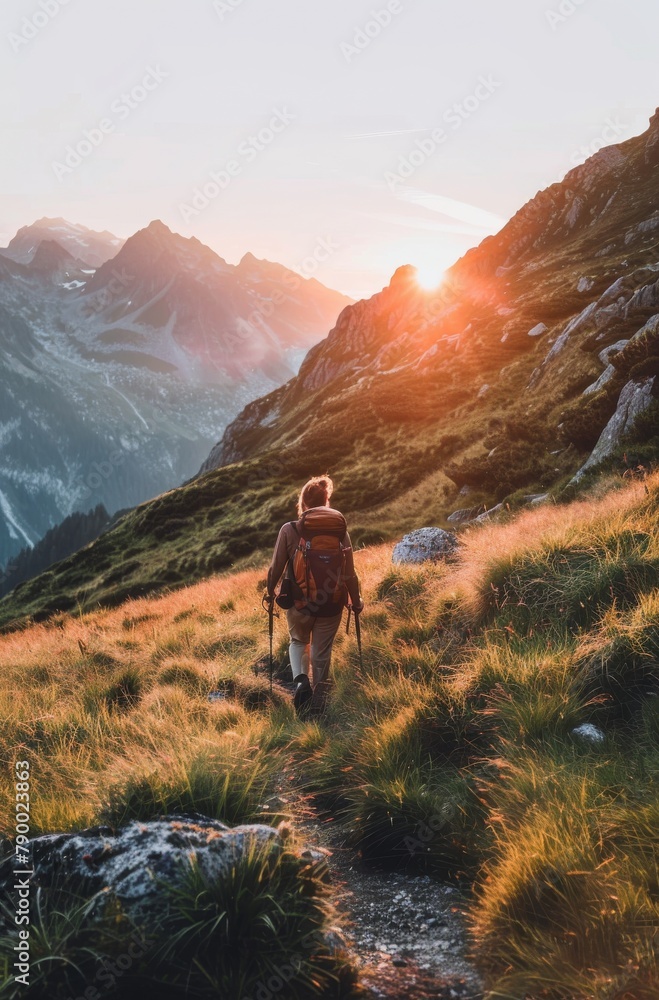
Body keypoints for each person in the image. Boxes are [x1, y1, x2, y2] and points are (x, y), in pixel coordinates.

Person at [266, 476, 363, 714]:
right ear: (326, 501)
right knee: (321, 651)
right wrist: (356, 600)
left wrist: (270, 593)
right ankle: (320, 699)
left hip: (300, 604)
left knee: (298, 641)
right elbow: (349, 572)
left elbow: (276, 567)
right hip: (331, 603)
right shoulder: (340, 531)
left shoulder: (291, 529)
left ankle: (301, 681)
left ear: (303, 502)